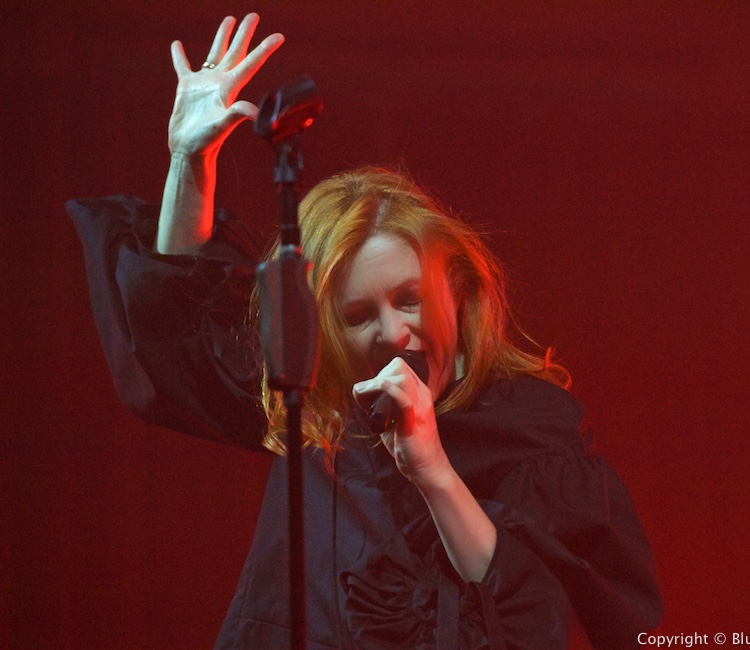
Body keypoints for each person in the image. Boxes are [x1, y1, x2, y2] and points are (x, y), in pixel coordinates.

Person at [68, 13, 662, 649]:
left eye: (409, 301)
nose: (393, 333)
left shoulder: (533, 432)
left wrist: (432, 468)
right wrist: (190, 160)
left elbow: (548, 620)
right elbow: (180, 332)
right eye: (358, 316)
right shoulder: (319, 409)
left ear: (456, 293)